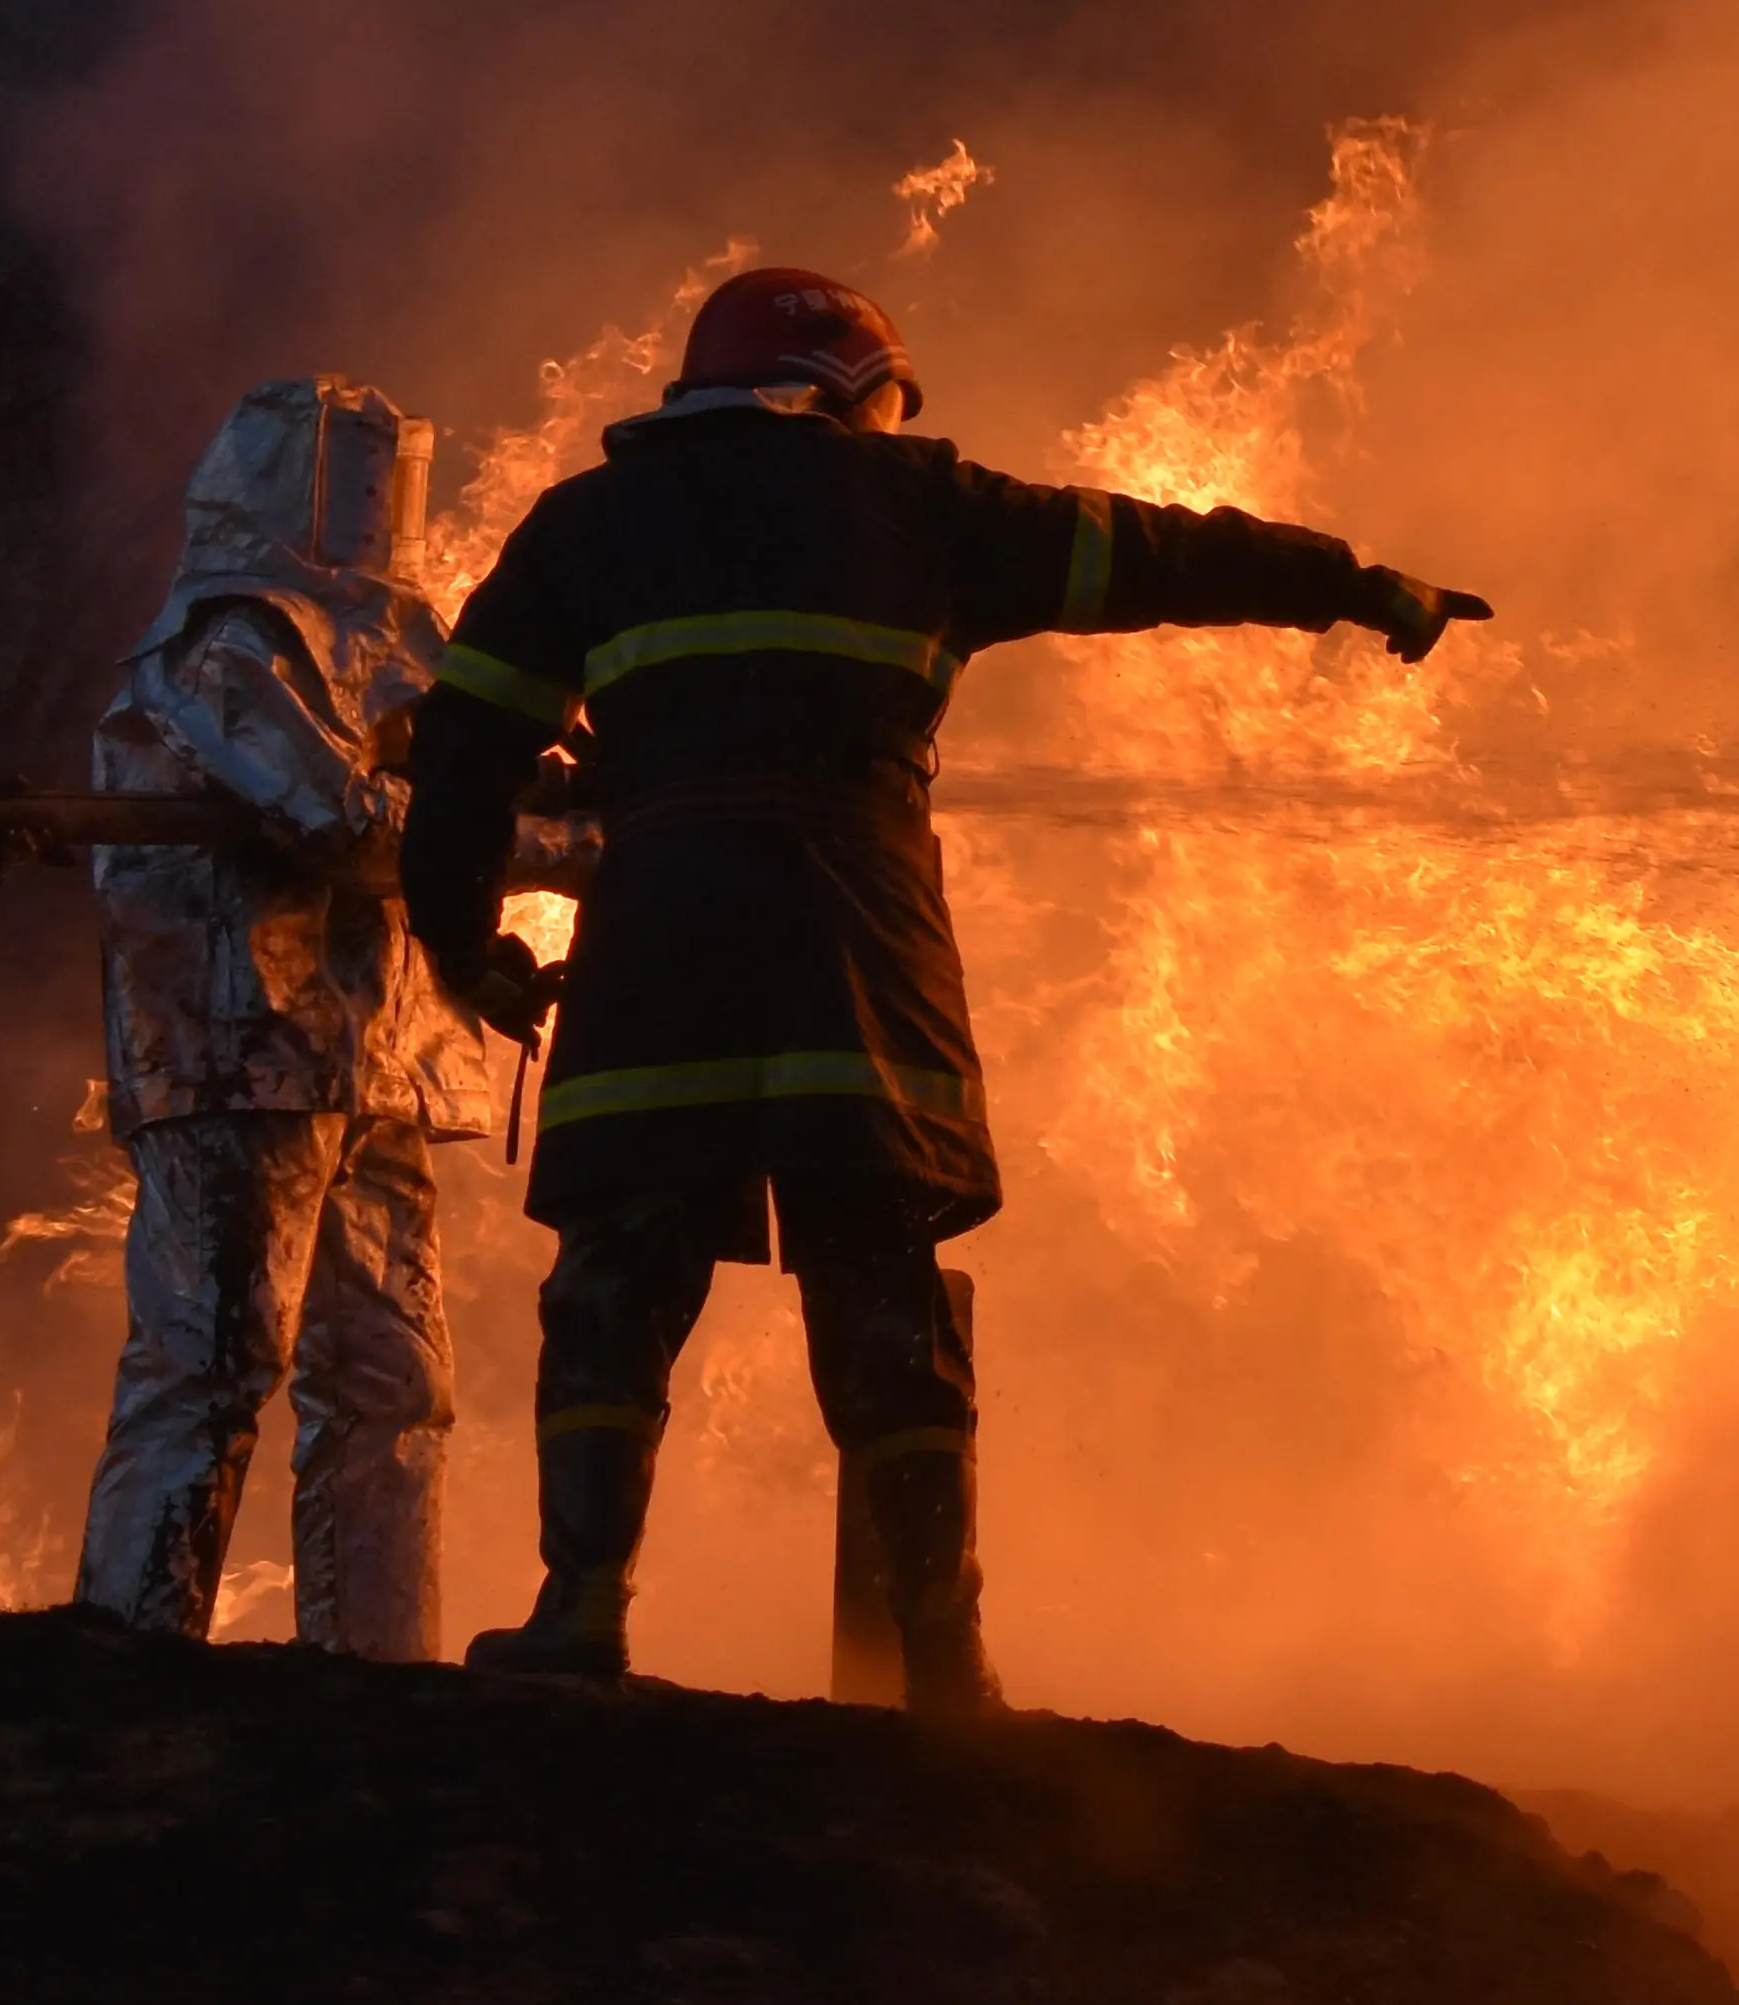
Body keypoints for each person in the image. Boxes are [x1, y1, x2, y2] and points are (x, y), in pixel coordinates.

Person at [403, 263, 1487, 1693]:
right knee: (883, 1280)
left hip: (662, 940)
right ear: (849, 389)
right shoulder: (925, 506)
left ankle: (580, 1614)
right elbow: (1161, 555)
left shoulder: (586, 524)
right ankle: (941, 1660)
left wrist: (463, 947)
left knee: (618, 1276)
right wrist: (1347, 583)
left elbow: (462, 759)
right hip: (861, 942)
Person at [72, 376, 492, 1657]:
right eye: (351, 479)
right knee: (209, 1364)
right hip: (240, 1045)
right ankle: (129, 1667)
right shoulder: (229, 642)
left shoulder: (406, 645)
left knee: (395, 1383)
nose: (375, 511)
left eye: (388, 480)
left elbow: (463, 791)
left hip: (377, 1064)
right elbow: (342, 819)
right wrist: (519, 834)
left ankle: (378, 1675)